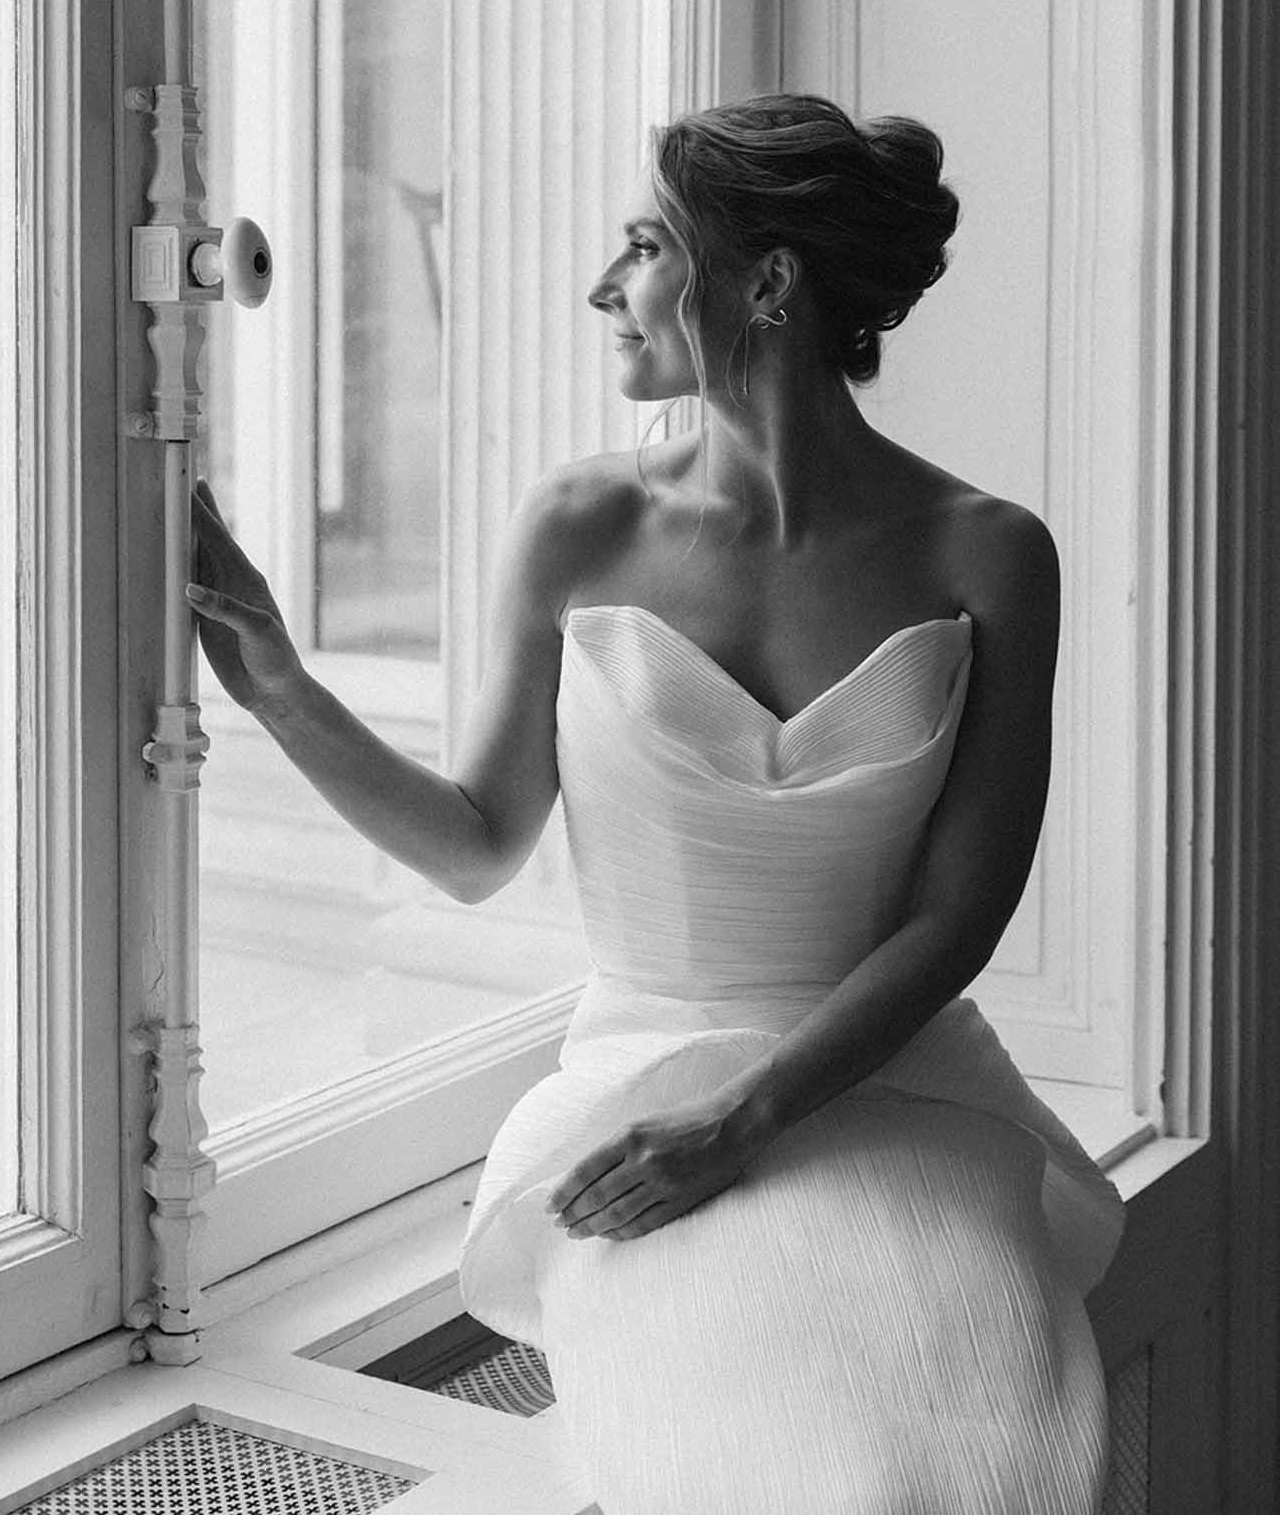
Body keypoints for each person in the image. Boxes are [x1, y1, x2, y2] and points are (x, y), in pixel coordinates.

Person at [188, 93, 1125, 1514]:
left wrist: (746, 1119)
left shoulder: (991, 555)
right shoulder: (581, 524)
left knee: (1005, 1461)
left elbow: (959, 913)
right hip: (644, 1088)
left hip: (895, 1086)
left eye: (641, 246)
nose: (602, 288)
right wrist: (280, 689)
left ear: (766, 281)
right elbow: (476, 844)